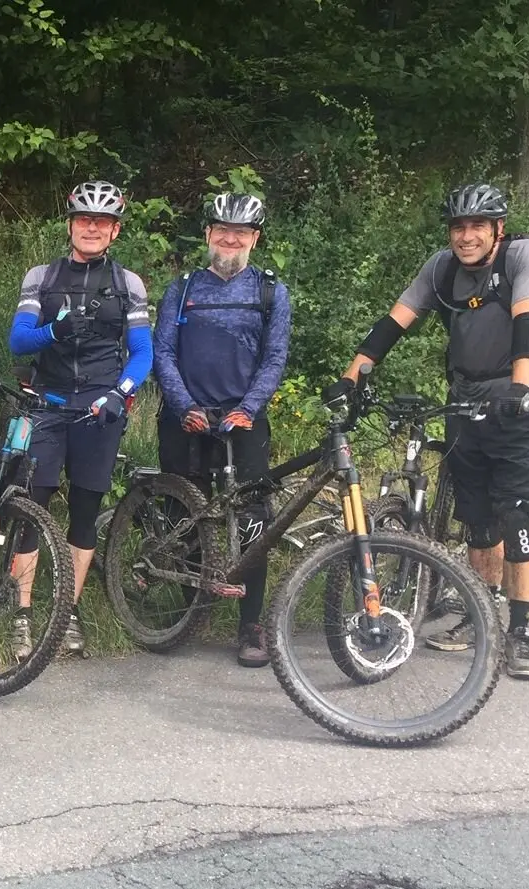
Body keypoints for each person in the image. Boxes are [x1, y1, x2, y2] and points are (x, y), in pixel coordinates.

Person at [323, 183, 529, 680]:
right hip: (466, 400)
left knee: (516, 517)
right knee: (477, 520)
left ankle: (520, 633)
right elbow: (392, 324)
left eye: (477, 226)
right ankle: (480, 617)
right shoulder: (442, 268)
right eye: (459, 227)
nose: (466, 236)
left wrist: (519, 388)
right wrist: (351, 376)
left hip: (522, 404)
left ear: (497, 229)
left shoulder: (523, 256)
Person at [6, 181, 153, 658]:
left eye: (102, 221)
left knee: (85, 514)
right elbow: (20, 340)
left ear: (114, 231)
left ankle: (67, 612)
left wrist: (121, 394)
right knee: (33, 507)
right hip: (47, 404)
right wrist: (57, 328)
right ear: (71, 225)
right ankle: (23, 615)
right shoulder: (42, 277)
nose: (92, 227)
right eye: (84, 219)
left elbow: (143, 353)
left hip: (99, 407)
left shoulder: (128, 284)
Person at [153, 193, 292, 668]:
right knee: (183, 512)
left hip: (243, 418)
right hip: (186, 416)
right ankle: (183, 608)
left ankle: (250, 624)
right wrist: (183, 404)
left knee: (253, 520)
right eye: (222, 230)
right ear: (209, 234)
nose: (230, 239)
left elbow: (274, 357)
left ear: (254, 239)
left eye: (242, 233)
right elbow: (164, 352)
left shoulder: (271, 291)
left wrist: (251, 407)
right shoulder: (183, 287)